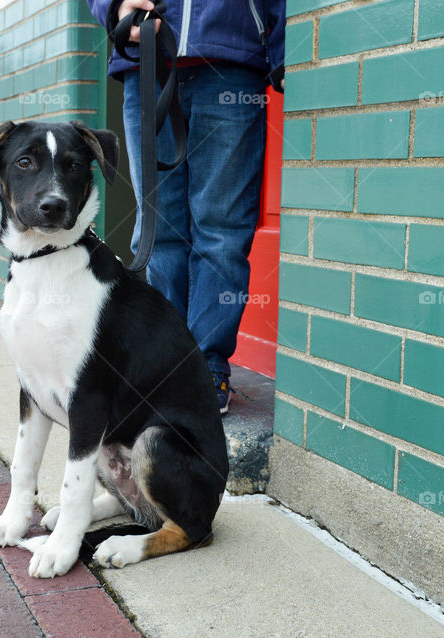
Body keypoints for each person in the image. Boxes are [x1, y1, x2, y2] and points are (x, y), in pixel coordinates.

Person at [87, 0, 285, 414]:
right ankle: (162, 365)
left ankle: (206, 367)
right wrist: (114, 6)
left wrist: (283, 51)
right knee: (158, 230)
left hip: (232, 62)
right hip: (146, 64)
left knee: (223, 231)